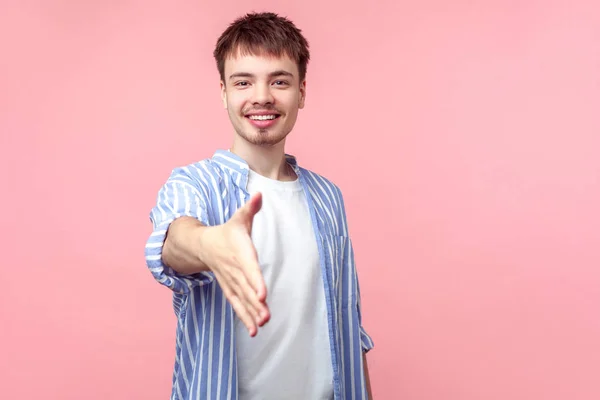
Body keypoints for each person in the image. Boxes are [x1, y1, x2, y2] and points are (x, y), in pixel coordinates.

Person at [144, 11, 374, 400]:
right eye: (244, 81)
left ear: (301, 91)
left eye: (279, 81)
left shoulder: (328, 197)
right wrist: (209, 245)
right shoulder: (194, 184)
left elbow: (348, 325)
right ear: (224, 93)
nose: (262, 96)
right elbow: (174, 243)